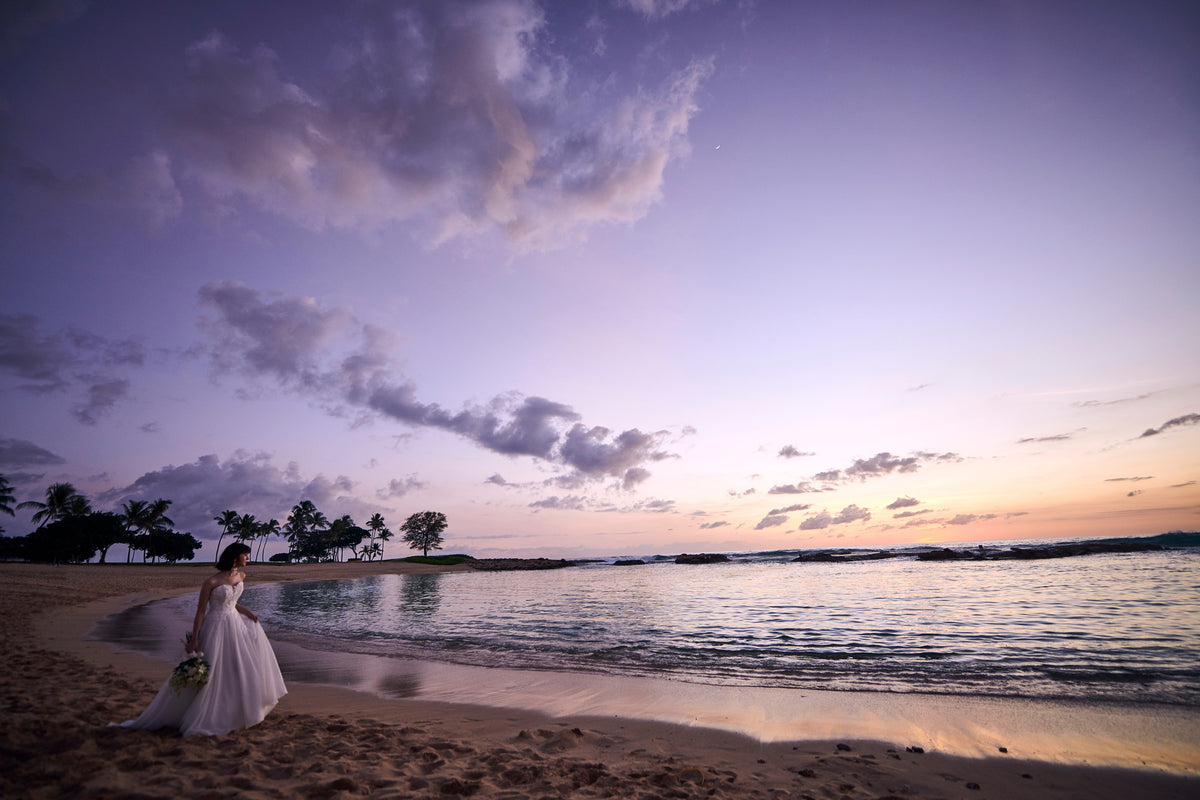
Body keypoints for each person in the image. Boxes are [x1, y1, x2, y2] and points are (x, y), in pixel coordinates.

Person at [118, 542, 287, 736]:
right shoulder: (211, 582)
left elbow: (232, 602)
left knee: (236, 667)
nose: (247, 558)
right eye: (245, 555)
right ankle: (206, 714)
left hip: (236, 624)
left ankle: (237, 712)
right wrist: (194, 639)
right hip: (216, 626)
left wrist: (248, 613)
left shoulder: (241, 576)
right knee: (213, 669)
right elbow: (200, 612)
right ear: (235, 556)